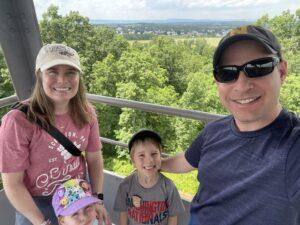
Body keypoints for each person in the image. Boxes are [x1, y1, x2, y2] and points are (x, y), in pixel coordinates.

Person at [161, 25, 300, 225]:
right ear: (217, 82)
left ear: (282, 71)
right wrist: (154, 164)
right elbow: (188, 160)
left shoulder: (293, 146)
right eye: (227, 73)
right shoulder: (213, 131)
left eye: (258, 68)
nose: (242, 85)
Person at [0, 44, 111, 225]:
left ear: (78, 77)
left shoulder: (87, 112)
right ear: (39, 75)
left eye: (70, 72)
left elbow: (94, 159)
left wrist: (97, 198)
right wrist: (40, 221)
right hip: (35, 204)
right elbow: (13, 183)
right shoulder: (18, 122)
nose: (62, 80)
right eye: (52, 71)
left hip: (79, 199)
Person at [114, 129, 185, 225]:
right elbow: (123, 214)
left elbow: (172, 218)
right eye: (141, 155)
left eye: (154, 154)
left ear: (161, 156)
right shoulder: (126, 186)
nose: (149, 160)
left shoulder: (168, 187)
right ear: (133, 161)